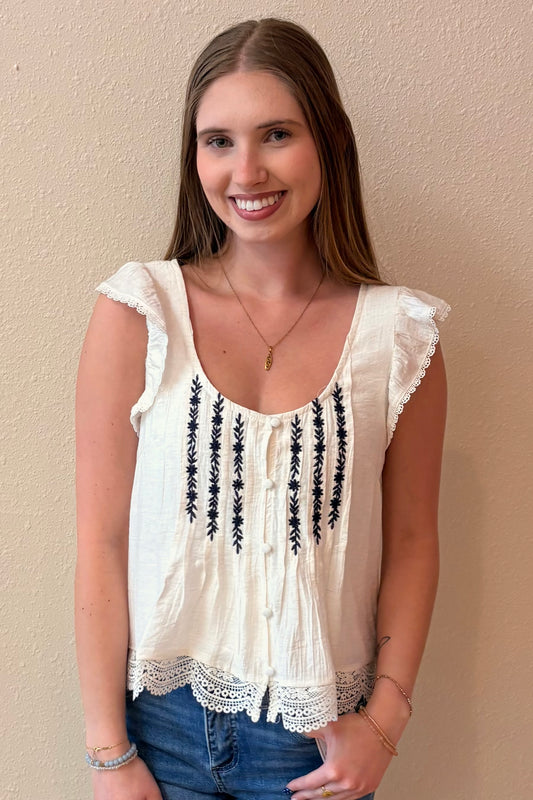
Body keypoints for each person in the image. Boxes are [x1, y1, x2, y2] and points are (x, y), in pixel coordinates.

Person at [75, 17, 450, 800]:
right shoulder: (140, 312)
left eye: (276, 134)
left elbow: (413, 541)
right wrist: (109, 752)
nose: (246, 171)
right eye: (218, 141)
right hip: (158, 728)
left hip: (315, 742)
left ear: (329, 142)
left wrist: (384, 723)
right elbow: (101, 541)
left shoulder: (399, 335)